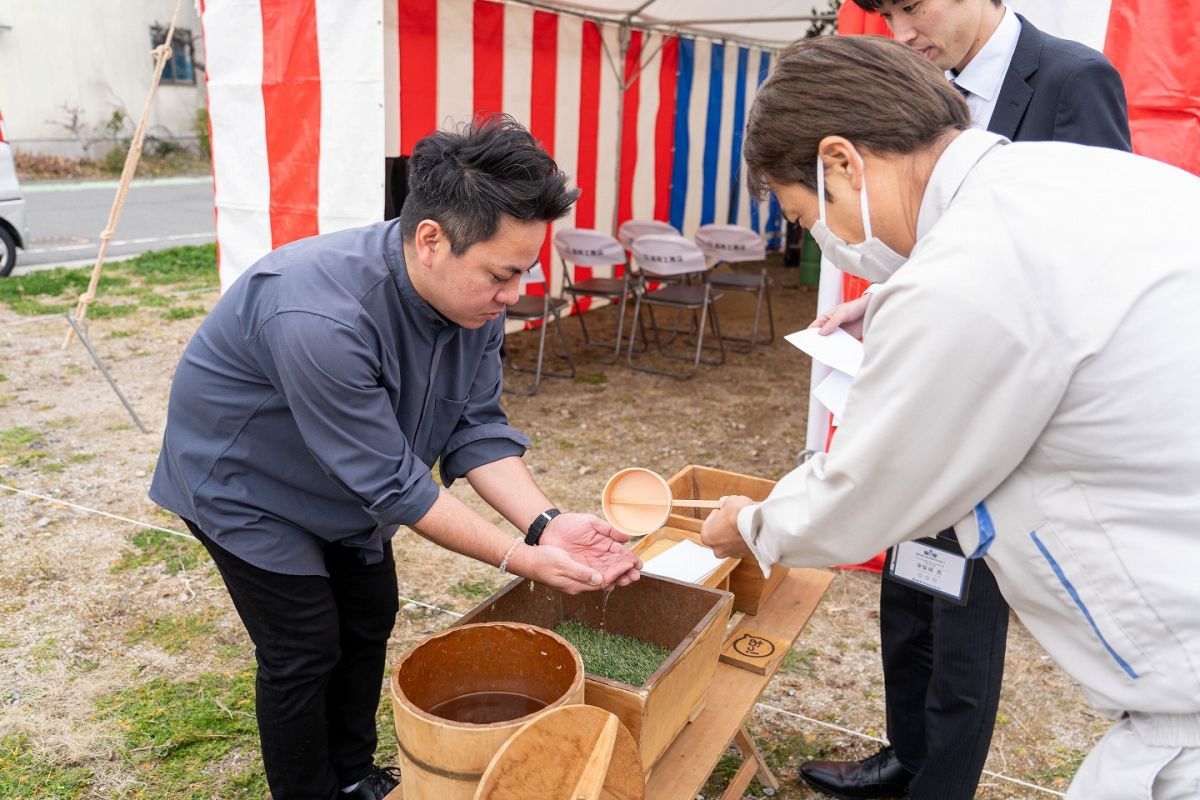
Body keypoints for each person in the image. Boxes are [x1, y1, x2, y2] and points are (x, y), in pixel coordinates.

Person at [701, 34, 1200, 800]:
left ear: (841, 161)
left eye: (811, 217)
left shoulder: (967, 268)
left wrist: (752, 525)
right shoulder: (1063, 178)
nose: (827, 241)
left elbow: (866, 489)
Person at [149, 116, 641, 800]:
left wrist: (546, 524)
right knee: (304, 649)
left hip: (351, 483)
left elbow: (476, 427)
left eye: (522, 274)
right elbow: (394, 485)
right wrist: (520, 560)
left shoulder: (472, 306)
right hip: (244, 484)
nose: (513, 296)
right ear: (431, 240)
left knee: (369, 616)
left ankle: (353, 775)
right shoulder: (320, 316)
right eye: (501, 275)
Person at [796, 2, 1131, 797]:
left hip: (999, 405)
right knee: (908, 592)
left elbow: (1093, 253)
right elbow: (939, 243)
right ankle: (904, 754)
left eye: (913, 6)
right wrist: (877, 305)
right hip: (924, 388)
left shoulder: (1074, 80)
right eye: (886, 13)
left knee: (962, 607)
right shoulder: (915, 84)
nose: (901, 30)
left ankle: (938, 784)